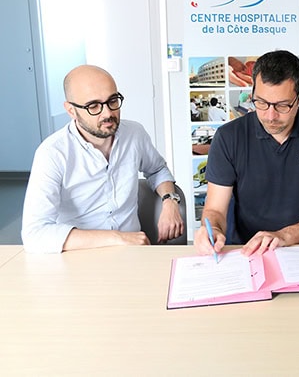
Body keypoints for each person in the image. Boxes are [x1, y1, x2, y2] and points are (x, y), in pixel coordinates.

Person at [194, 50, 299, 257]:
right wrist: (212, 229)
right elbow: (215, 209)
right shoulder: (228, 137)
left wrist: (283, 236)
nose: (270, 116)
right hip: (248, 251)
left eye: (282, 105)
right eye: (261, 102)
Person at [22, 65, 185, 253]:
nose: (107, 113)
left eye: (113, 101)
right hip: (79, 254)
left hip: (133, 253)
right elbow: (34, 234)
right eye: (93, 106)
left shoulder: (135, 134)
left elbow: (157, 169)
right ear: (71, 110)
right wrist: (118, 238)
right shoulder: (52, 153)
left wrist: (170, 201)